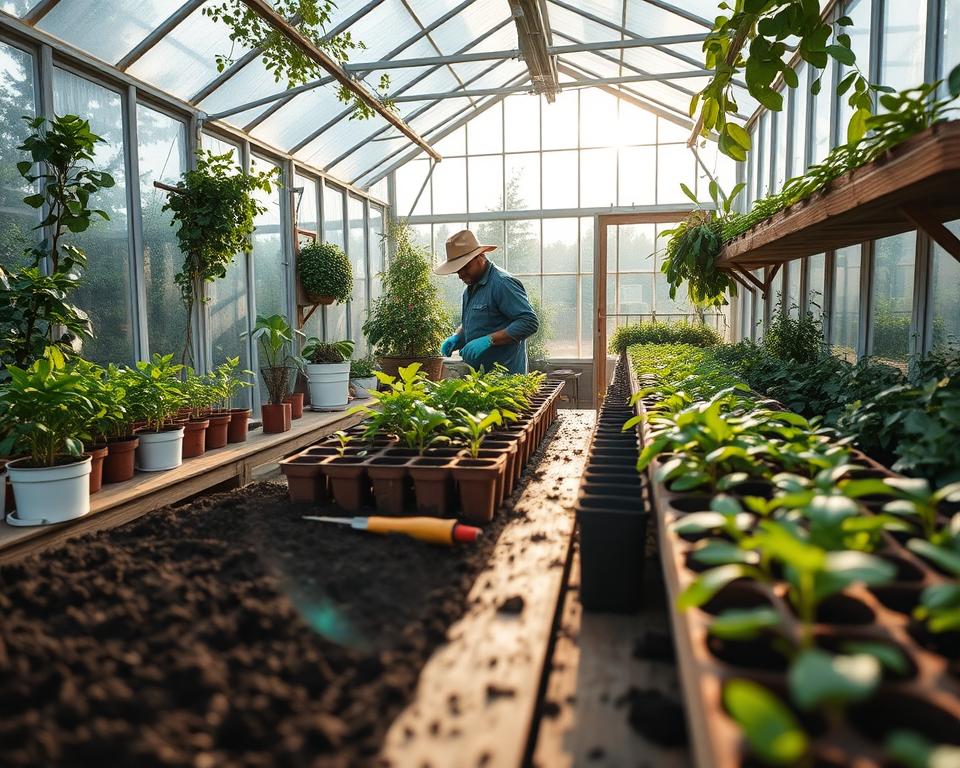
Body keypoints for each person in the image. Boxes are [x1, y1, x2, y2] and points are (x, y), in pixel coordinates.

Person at [434, 229, 539, 375]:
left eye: (465, 267)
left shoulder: (502, 283)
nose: (461, 275)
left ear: (480, 257)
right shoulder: (470, 290)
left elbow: (529, 322)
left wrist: (489, 340)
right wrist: (458, 337)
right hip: (480, 380)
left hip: (507, 380)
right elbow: (473, 323)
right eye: (457, 270)